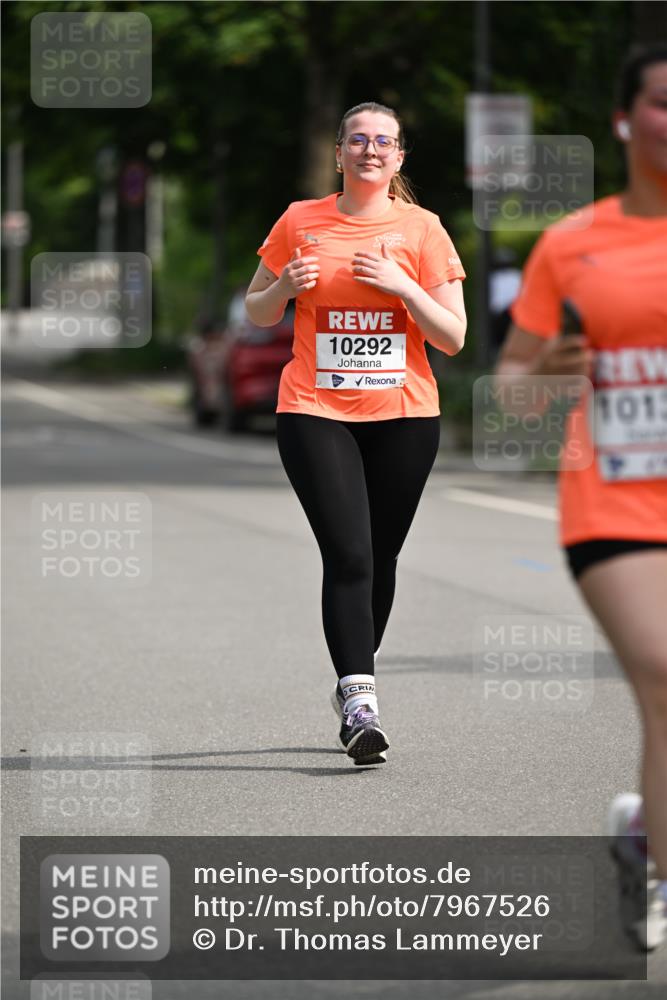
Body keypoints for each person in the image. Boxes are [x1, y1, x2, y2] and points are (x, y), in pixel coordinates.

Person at [495, 44, 667, 949]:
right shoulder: (575, 244)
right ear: (624, 120)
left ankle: (642, 836)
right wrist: (545, 372)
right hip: (617, 502)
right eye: (664, 103)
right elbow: (512, 387)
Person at [245, 102, 466, 765]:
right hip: (315, 410)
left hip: (405, 416)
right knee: (349, 554)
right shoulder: (299, 221)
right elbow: (258, 310)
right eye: (358, 139)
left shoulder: (422, 230)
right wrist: (283, 283)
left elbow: (451, 337)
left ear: (398, 158)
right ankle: (359, 700)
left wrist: (403, 285)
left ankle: (353, 676)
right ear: (339, 152)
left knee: (381, 558)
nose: (370, 150)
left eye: (384, 142)